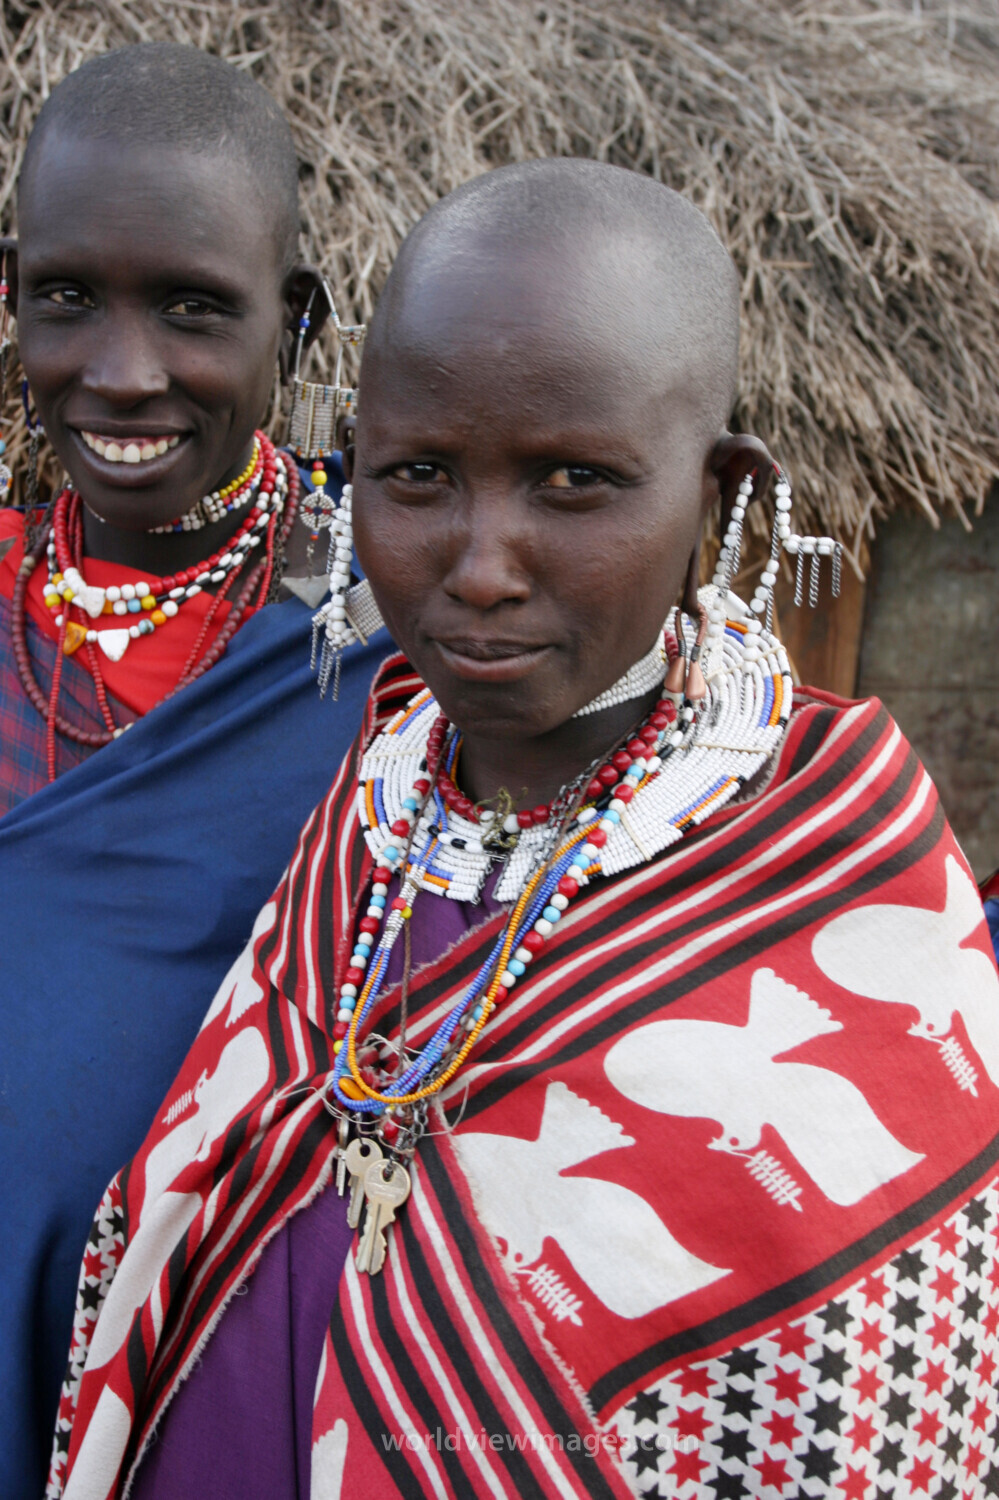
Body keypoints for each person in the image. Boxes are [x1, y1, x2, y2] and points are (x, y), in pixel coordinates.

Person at [52, 161, 999, 1500]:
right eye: (419, 474)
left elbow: (868, 1424)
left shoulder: (845, 898)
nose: (482, 565)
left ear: (720, 496)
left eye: (572, 481)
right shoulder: (375, 810)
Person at [0, 45, 389, 1497]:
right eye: (66, 298)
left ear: (295, 318)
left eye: (192, 308)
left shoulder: (392, 645)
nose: (121, 371)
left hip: (222, 1379)